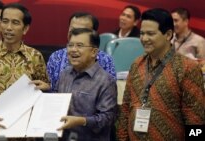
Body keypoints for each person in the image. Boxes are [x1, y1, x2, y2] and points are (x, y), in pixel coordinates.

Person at [116, 8, 205, 140]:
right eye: (142, 33)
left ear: (168, 35)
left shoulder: (187, 67)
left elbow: (196, 119)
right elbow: (125, 108)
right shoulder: (137, 64)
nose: (144, 39)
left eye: (150, 34)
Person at [56, 28, 117, 141]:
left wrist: (82, 121)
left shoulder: (105, 81)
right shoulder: (64, 74)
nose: (73, 50)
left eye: (79, 45)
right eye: (70, 45)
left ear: (94, 52)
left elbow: (108, 119)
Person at [47, 12, 116, 91]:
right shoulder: (55, 57)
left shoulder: (106, 60)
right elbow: (53, 90)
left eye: (81, 31)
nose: (75, 34)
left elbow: (109, 92)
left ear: (93, 34)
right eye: (72, 30)